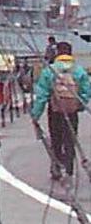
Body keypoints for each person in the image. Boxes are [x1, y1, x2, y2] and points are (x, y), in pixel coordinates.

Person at [32, 41, 91, 179]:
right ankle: (69, 168)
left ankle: (57, 167)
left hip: (55, 110)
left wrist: (35, 115)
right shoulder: (78, 71)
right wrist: (80, 104)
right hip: (72, 110)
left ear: (57, 53)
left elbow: (42, 95)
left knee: (56, 139)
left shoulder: (49, 70)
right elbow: (86, 91)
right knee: (70, 139)